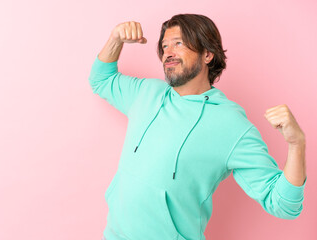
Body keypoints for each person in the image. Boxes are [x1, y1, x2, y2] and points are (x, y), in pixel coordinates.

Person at [89, 14, 307, 240]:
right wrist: (116, 38)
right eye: (164, 46)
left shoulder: (231, 125)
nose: (168, 53)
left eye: (179, 43)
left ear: (207, 54)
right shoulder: (146, 92)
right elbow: (101, 80)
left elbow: (283, 205)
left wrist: (296, 144)